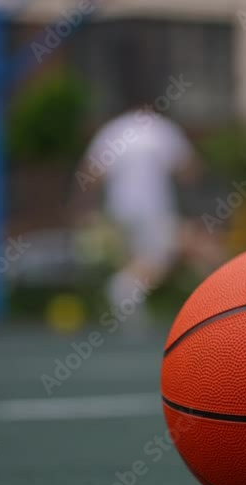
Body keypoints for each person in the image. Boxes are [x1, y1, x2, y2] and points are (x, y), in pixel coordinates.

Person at [74, 100, 199, 329]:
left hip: (119, 209)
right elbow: (188, 169)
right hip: (153, 208)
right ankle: (124, 287)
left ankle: (130, 307)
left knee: (136, 259)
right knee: (162, 256)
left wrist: (85, 208)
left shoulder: (113, 130)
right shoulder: (161, 129)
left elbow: (90, 171)